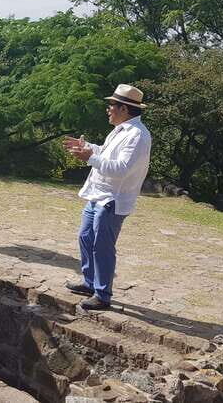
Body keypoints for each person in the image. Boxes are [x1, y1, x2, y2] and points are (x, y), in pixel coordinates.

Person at [63, 84, 152, 310]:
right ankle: (90, 282)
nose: (108, 109)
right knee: (85, 237)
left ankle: (102, 295)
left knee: (102, 246)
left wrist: (89, 158)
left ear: (123, 108)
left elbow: (121, 168)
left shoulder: (137, 135)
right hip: (99, 194)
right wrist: (88, 147)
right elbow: (105, 152)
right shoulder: (121, 130)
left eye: (111, 105)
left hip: (113, 199)